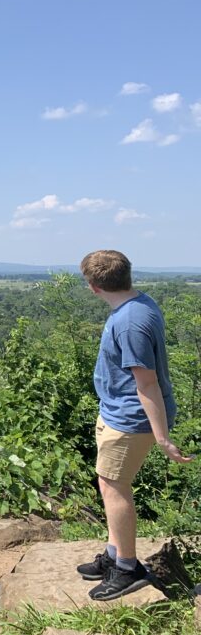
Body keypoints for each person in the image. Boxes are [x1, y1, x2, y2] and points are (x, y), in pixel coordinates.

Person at [76, 250, 193, 600]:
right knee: (108, 481)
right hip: (117, 411)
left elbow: (147, 383)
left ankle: (127, 568)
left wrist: (162, 438)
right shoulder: (140, 303)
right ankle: (114, 554)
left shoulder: (128, 323)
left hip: (130, 418)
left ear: (94, 287)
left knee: (115, 487)